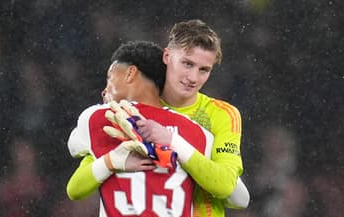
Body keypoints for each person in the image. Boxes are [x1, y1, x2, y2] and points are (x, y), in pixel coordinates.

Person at [66, 40, 215, 216]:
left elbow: (73, 149)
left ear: (130, 73)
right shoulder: (198, 133)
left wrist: (111, 160)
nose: (104, 91)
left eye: (110, 78)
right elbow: (232, 192)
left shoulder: (97, 118)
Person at [134, 19, 249, 217]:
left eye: (204, 70)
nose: (193, 78)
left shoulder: (222, 114)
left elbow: (225, 186)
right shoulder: (136, 109)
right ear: (167, 56)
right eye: (187, 64)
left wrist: (173, 141)